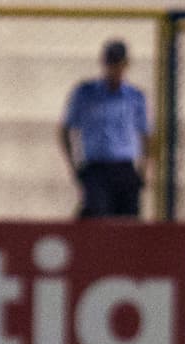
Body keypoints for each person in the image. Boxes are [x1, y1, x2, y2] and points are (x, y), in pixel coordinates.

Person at [59, 39, 151, 219]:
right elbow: (65, 130)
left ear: (126, 65)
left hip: (124, 167)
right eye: (110, 62)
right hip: (96, 167)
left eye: (118, 63)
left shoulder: (135, 96)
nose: (114, 68)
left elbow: (146, 134)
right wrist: (73, 165)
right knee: (99, 217)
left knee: (128, 222)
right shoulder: (86, 93)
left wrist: (144, 169)